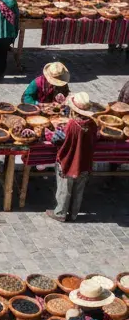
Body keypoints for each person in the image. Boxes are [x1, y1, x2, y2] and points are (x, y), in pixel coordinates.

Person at [44, 91, 99, 223]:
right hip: (84, 162)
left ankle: (60, 213)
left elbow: (57, 139)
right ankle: (74, 213)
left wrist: (49, 133)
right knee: (79, 190)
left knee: (64, 189)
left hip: (68, 161)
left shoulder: (71, 126)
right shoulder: (92, 125)